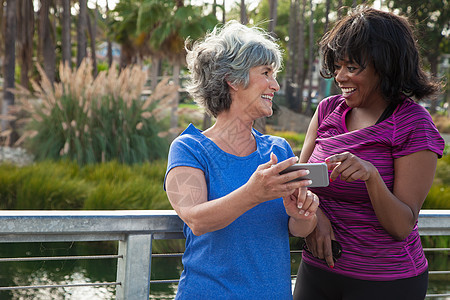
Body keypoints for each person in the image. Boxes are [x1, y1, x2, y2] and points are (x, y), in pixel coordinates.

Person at [292, 6, 446, 300]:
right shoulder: (327, 109)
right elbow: (300, 183)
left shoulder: (414, 124)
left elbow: (402, 225)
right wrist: (318, 215)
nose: (339, 77)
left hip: (386, 279)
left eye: (352, 68)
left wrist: (371, 176)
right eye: (338, 67)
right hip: (318, 269)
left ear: (385, 66)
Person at [164, 20, 319, 299]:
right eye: (266, 73)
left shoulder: (279, 149)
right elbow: (196, 220)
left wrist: (303, 214)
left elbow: (296, 229)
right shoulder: (189, 148)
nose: (276, 84)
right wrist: (254, 192)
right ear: (233, 80)